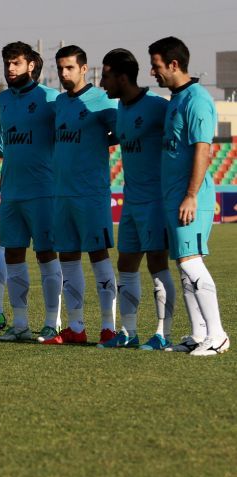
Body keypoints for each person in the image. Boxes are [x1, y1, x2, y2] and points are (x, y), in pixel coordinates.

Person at [0, 43, 62, 342]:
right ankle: (20, 324)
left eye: (16, 62)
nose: (10, 68)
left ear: (31, 65)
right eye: (7, 62)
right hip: (11, 192)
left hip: (43, 191)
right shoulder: (3, 99)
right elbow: (8, 146)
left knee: (46, 254)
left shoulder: (50, 98)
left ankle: (52, 322)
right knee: (13, 254)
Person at [148, 36, 229, 355]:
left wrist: (191, 195)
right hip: (174, 197)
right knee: (184, 266)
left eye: (156, 66)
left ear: (173, 64)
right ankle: (198, 334)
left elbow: (202, 150)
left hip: (191, 198)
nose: (153, 72)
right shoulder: (176, 99)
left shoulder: (196, 99)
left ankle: (218, 336)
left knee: (191, 263)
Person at [97, 48, 176, 350]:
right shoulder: (121, 109)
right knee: (126, 263)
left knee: (157, 264)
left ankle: (163, 334)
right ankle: (128, 332)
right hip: (131, 201)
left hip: (156, 201)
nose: (102, 83)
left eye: (106, 76)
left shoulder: (157, 106)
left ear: (122, 77)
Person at [42, 45, 119, 345]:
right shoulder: (60, 102)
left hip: (91, 193)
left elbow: (121, 132)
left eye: (70, 68)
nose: (64, 73)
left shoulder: (102, 100)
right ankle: (76, 326)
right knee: (68, 258)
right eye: (60, 68)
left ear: (84, 69)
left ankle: (109, 327)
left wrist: (97, 141)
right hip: (61, 194)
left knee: (98, 255)